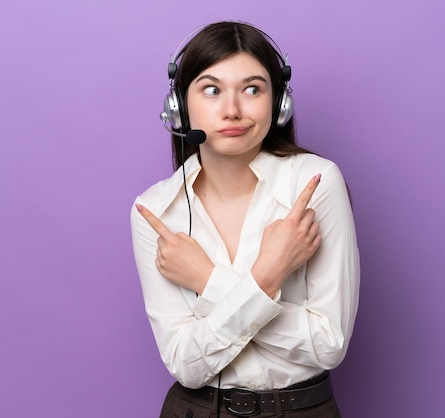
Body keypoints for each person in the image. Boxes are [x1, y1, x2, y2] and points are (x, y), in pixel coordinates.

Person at [130, 21, 359, 418]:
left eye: (252, 89)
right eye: (212, 89)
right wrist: (266, 277)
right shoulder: (155, 212)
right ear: (180, 105)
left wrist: (206, 279)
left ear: (279, 102)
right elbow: (186, 363)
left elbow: (328, 344)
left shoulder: (315, 183)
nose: (232, 109)